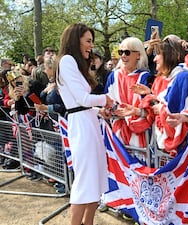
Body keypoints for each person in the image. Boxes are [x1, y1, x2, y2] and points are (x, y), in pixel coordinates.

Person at [55, 23, 113, 225]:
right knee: (84, 181)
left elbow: (82, 104)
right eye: (88, 41)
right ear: (75, 40)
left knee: (94, 180)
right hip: (82, 127)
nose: (91, 46)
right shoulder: (67, 61)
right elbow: (81, 99)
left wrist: (100, 111)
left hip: (88, 122)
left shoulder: (74, 64)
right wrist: (106, 99)